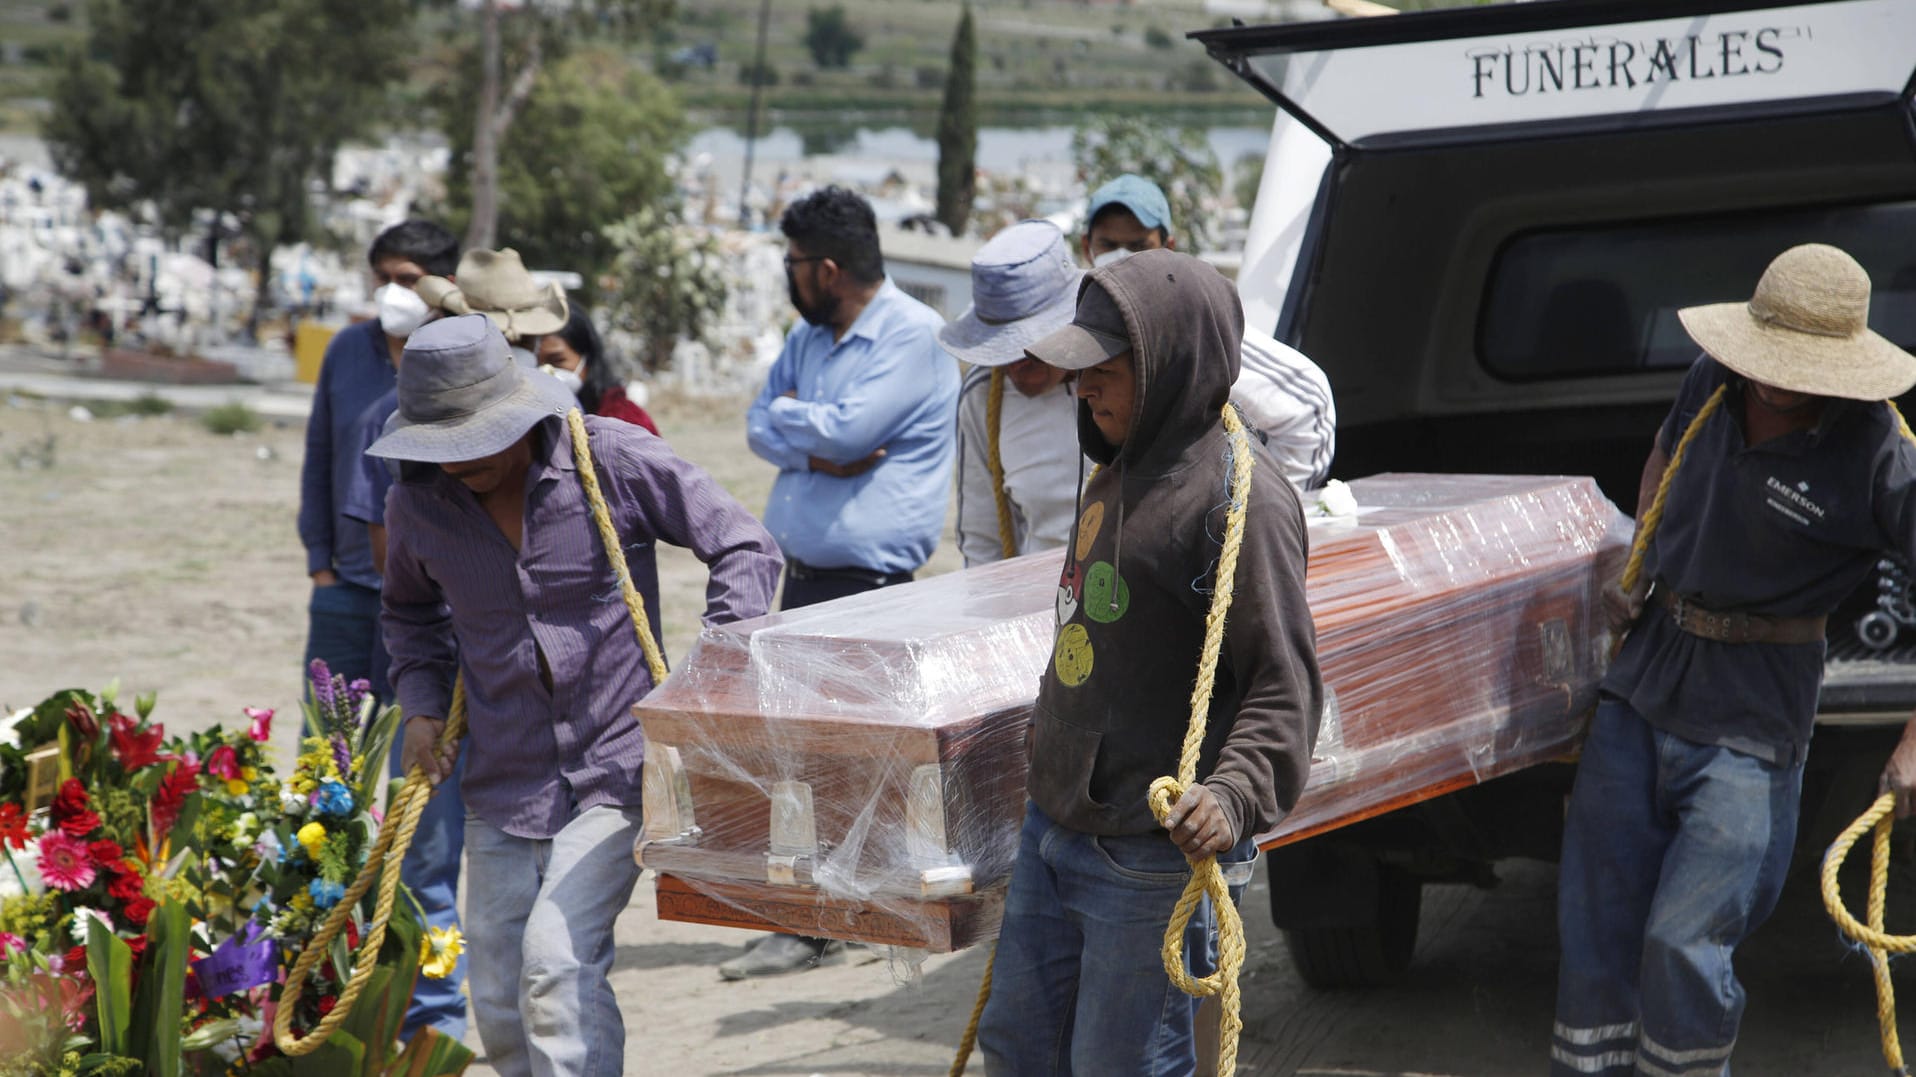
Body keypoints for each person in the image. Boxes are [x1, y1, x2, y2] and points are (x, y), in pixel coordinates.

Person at [372, 314, 783, 1077]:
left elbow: (745, 543)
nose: (462, 460)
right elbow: (409, 613)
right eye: (445, 444)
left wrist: (710, 677)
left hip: (617, 768)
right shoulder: (418, 507)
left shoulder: (609, 457)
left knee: (556, 965)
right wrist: (423, 703)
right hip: (502, 782)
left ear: (520, 413)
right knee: (496, 997)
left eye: (477, 438)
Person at [1552, 244, 1916, 1077]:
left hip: (1752, 727)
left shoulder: (1878, 451)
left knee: (1683, 943)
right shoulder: (1714, 379)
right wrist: (1636, 557)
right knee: (1594, 927)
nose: (1772, 377)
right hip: (1643, 687)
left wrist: (1912, 743)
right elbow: (1662, 450)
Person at [975, 249, 1324, 1073]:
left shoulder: (1243, 501)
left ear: (1170, 363)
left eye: (1103, 368)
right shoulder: (1118, 463)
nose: (1080, 386)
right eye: (1077, 369)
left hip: (1146, 855)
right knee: (1018, 1045)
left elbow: (1286, 684)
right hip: (1054, 822)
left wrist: (1233, 794)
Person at [732, 185, 958, 977]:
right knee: (802, 752)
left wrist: (813, 427)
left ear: (826, 268)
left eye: (793, 262)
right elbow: (760, 424)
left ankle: (859, 916)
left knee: (862, 752)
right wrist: (816, 440)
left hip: (872, 579)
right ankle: (819, 919)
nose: (788, 276)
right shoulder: (810, 338)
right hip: (805, 576)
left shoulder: (915, 335)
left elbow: (854, 429)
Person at [1080, 173, 1337, 490]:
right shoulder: (1076, 322)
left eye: (1137, 245)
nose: (1122, 257)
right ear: (1086, 247)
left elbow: (1308, 401)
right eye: (1108, 244)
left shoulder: (1188, 323)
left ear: (1167, 247)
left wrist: (1262, 506)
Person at [297, 219, 454, 700]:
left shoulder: (462, 353)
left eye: (406, 280)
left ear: (443, 284)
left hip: (431, 597)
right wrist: (321, 565)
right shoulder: (347, 348)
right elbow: (321, 452)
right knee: (327, 747)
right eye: (382, 279)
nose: (391, 292)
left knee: (415, 740)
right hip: (345, 583)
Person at [942, 220, 1086, 566]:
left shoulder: (1129, 375)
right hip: (1037, 609)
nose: (1015, 364)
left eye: (1030, 347)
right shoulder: (982, 396)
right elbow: (981, 541)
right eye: (1002, 350)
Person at [538, 305, 662, 437]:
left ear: (587, 357)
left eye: (557, 361)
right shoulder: (534, 426)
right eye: (535, 363)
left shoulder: (624, 421)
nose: (544, 371)